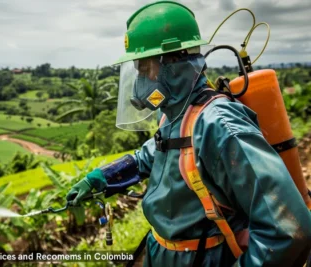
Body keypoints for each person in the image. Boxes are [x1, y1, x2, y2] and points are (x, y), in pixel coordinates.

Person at [66, 1, 311, 266]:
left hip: (203, 257)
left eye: (146, 68)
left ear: (174, 63)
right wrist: (102, 178)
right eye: (137, 70)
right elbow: (147, 156)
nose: (140, 83)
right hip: (162, 252)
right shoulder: (175, 115)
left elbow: (288, 231)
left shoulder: (219, 124)